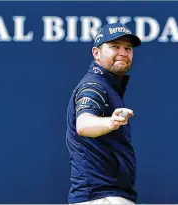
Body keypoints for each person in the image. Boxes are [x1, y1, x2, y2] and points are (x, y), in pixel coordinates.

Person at [65, 22, 141, 204]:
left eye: (128, 48)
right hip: (101, 197)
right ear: (96, 53)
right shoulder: (94, 85)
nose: (123, 52)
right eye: (115, 46)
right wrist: (111, 122)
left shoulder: (108, 86)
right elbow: (84, 124)